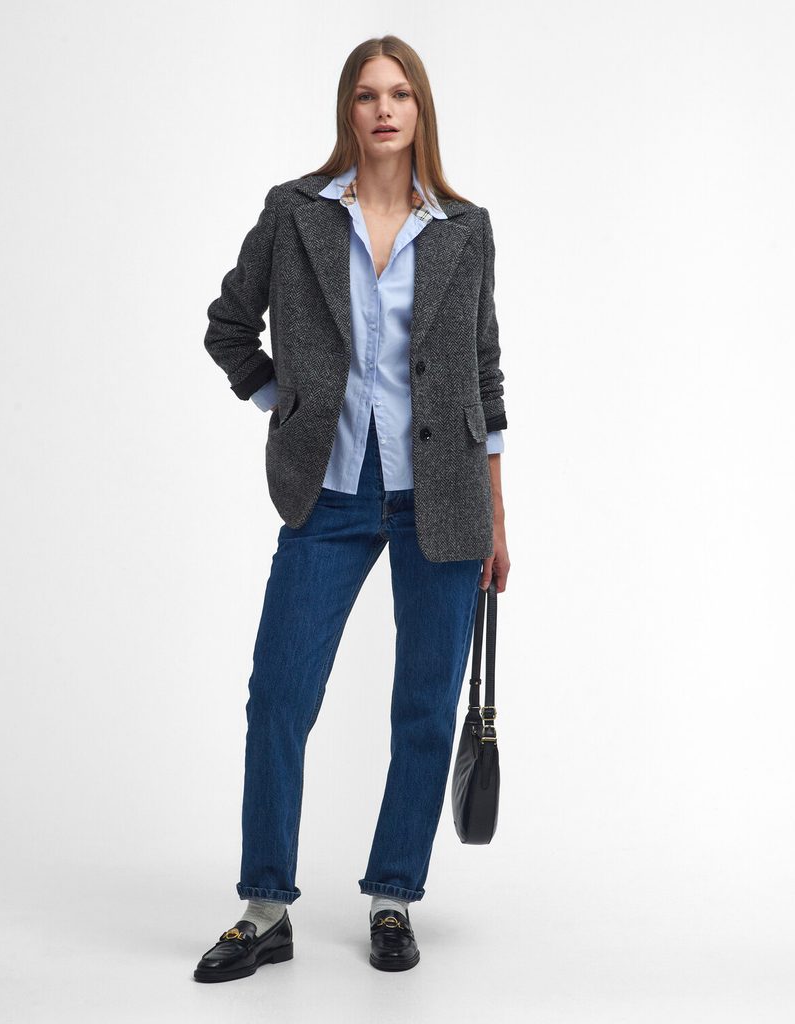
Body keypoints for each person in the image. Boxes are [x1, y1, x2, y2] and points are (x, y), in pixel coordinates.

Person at [194, 35, 510, 981]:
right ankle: (264, 907)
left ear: (420, 111)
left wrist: (497, 516)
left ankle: (392, 897)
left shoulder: (463, 227)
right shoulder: (294, 213)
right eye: (368, 95)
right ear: (348, 109)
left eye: (400, 94)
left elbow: (484, 374)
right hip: (327, 490)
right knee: (278, 695)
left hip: (442, 495)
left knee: (424, 706)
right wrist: (283, 405)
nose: (383, 110)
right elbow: (227, 325)